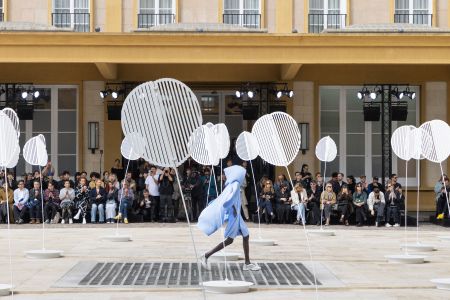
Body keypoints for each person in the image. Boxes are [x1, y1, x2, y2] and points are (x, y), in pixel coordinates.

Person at [198, 165, 260, 272]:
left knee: (245, 235)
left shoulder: (231, 184)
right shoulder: (235, 184)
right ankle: (206, 255)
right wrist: (232, 208)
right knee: (230, 240)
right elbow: (229, 198)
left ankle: (247, 263)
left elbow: (229, 198)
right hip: (235, 216)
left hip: (236, 215)